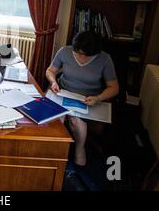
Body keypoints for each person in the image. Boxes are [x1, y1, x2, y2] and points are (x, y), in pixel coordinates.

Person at [45, 31, 119, 167]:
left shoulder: (104, 59)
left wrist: (98, 97)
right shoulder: (65, 51)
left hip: (88, 99)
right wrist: (53, 82)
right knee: (57, 118)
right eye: (78, 52)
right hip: (63, 93)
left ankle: (80, 148)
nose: (81, 57)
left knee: (75, 120)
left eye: (85, 55)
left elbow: (114, 87)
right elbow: (50, 71)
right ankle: (56, 151)